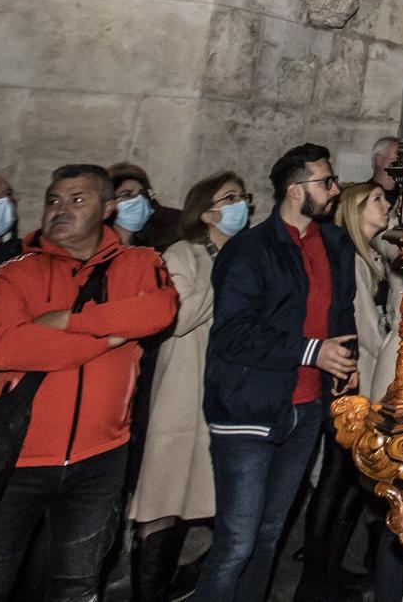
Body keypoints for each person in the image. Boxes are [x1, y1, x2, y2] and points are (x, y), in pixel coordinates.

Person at [0, 164, 179, 602]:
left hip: (100, 457)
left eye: (78, 200)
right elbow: (6, 348)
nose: (61, 209)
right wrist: (107, 338)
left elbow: (157, 313)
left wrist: (70, 323)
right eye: (53, 200)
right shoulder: (12, 270)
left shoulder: (139, 262)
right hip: (14, 457)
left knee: (75, 585)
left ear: (108, 208)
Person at [196, 144, 358, 602]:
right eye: (325, 182)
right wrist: (313, 352)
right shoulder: (250, 250)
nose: (335, 189)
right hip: (249, 407)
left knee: (269, 536)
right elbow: (233, 334)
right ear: (294, 191)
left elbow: (338, 312)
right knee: (236, 543)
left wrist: (348, 361)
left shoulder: (334, 244)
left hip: (305, 410)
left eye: (332, 180)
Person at [127, 172, 250, 602]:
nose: (241, 206)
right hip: (181, 393)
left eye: (243, 197)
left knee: (212, 500)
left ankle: (186, 580)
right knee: (163, 498)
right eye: (230, 198)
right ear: (206, 212)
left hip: (223, 396)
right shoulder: (183, 254)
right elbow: (173, 320)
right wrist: (223, 279)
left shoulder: (245, 256)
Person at [299, 182, 403, 601]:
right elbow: (363, 331)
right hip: (354, 385)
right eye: (377, 200)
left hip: (360, 382)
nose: (386, 205)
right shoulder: (355, 263)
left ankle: (327, 569)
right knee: (336, 482)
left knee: (346, 487)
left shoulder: (372, 258)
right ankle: (315, 576)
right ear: (354, 210)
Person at [111, 163, 184, 252]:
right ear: (108, 203)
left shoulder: (165, 239)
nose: (138, 200)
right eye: (127, 194)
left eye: (142, 193)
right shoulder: (96, 245)